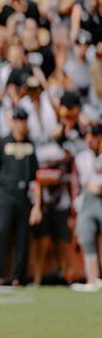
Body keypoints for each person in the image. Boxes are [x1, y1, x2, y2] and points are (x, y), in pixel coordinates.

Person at [0, 107, 41, 286]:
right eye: (18, 120)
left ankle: (18, 277)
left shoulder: (30, 145)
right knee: (0, 234)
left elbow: (35, 178)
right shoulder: (2, 143)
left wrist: (37, 205)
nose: (21, 124)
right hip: (4, 196)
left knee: (22, 237)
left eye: (24, 120)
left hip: (23, 197)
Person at [70, 124, 102, 292]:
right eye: (88, 137)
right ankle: (92, 279)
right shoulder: (83, 157)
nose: (90, 140)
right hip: (90, 200)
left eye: (94, 136)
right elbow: (91, 185)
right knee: (86, 234)